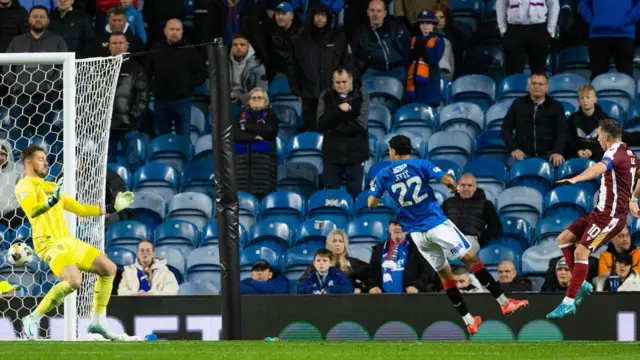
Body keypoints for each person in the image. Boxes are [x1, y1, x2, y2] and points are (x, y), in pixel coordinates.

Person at [368, 134, 529, 335]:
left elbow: (371, 204)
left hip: (417, 235)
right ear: (409, 150)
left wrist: (376, 188)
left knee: (445, 276)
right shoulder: (420, 164)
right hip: (436, 224)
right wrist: (453, 187)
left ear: (392, 151)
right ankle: (504, 303)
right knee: (471, 259)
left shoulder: (384, 174)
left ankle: (469, 320)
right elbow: (446, 179)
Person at [16, 145, 136, 340]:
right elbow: (33, 210)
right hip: (48, 242)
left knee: (109, 268)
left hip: (68, 241)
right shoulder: (24, 186)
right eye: (40, 159)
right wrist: (52, 202)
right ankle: (33, 317)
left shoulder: (51, 186)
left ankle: (97, 322)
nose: (45, 162)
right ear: (28, 163)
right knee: (73, 281)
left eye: (45, 158)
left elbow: (79, 209)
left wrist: (111, 207)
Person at [547, 118, 639, 319]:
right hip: (599, 212)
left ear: (606, 137)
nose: (597, 140)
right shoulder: (631, 154)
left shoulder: (613, 152)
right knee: (563, 239)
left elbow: (598, 168)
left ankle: (568, 302)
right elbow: (638, 176)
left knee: (582, 250)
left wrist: (575, 179)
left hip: (611, 216)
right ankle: (582, 284)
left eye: (598, 136)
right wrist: (633, 198)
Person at [317, 67, 369, 199]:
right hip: (332, 154)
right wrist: (339, 110)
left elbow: (360, 125)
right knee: (330, 197)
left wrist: (333, 126)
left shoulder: (362, 95)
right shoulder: (325, 95)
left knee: (355, 194)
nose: (341, 85)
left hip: (356, 153)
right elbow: (321, 123)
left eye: (344, 82)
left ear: (350, 80)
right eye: (338, 82)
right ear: (333, 82)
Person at [500, 72, 566, 167]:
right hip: (523, 154)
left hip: (549, 153)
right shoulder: (518, 104)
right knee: (511, 164)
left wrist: (557, 151)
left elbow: (562, 131)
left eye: (540, 84)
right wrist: (514, 149)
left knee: (560, 165)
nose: (537, 86)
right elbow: (505, 129)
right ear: (529, 86)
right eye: (534, 83)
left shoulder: (555, 106)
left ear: (546, 87)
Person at [405, 10, 444, 108]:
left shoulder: (439, 40)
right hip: (415, 83)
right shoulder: (413, 40)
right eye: (422, 23)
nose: (425, 26)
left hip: (430, 83)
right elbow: (406, 59)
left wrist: (422, 46)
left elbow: (433, 59)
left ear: (433, 25)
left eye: (428, 22)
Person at [566, 84, 606, 161]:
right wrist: (577, 151)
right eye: (582, 98)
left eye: (588, 97)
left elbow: (607, 141)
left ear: (595, 99)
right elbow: (569, 141)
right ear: (578, 101)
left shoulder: (604, 119)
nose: (585, 101)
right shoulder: (572, 119)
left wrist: (592, 151)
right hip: (577, 158)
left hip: (599, 160)